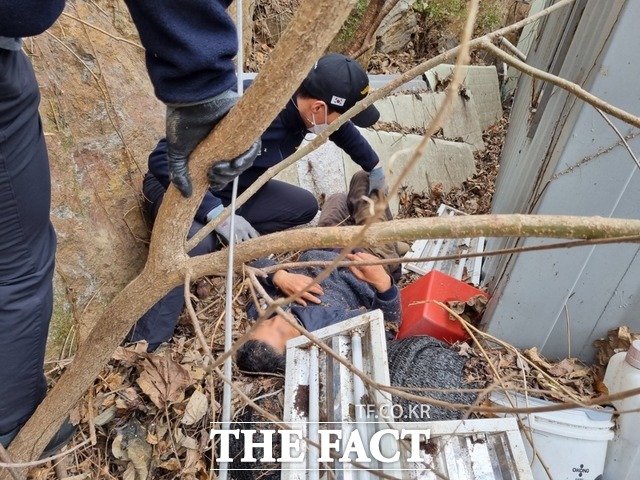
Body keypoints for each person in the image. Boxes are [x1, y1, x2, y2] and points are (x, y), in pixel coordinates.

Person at [0, 0, 259, 450]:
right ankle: (16, 428)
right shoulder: (267, 111)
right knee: (18, 270)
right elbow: (161, 161)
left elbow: (350, 140)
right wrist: (202, 88)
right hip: (169, 183)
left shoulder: (307, 122)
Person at [130, 54, 388, 349]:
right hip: (179, 191)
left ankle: (223, 235)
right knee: (193, 247)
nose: (340, 123)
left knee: (303, 205)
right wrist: (218, 214)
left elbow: (342, 129)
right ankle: (145, 341)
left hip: (238, 193)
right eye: (341, 115)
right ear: (318, 108)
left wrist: (374, 167)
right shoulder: (246, 108)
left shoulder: (306, 106)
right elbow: (162, 160)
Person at [235, 171, 401, 374]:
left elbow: (256, 269)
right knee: (363, 179)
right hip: (368, 256)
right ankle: (392, 253)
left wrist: (279, 276)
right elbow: (386, 329)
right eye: (280, 330)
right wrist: (383, 282)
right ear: (296, 349)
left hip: (324, 244)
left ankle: (387, 237)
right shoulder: (330, 332)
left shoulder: (262, 310)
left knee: (338, 198)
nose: (277, 318)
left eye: (265, 324)